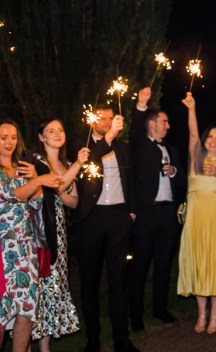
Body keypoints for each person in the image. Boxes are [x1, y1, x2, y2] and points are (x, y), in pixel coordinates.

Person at [70, 105, 139, 352]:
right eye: (103, 117)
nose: (108, 121)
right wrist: (108, 138)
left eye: (111, 118)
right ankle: (93, 339)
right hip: (91, 218)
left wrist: (131, 211)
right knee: (90, 281)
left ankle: (121, 338)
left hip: (119, 215)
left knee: (118, 281)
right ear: (91, 119)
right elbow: (90, 159)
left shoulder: (122, 146)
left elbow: (130, 179)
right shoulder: (82, 143)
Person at [0, 118, 61, 352]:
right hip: (4, 252)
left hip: (26, 250)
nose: (9, 142)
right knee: (1, 312)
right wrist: (38, 180)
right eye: (3, 137)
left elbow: (35, 204)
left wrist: (35, 180)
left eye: (13, 137)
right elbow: (11, 193)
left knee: (26, 311)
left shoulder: (22, 168)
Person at [128, 87, 185, 331]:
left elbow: (182, 179)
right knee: (140, 265)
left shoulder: (171, 150)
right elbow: (134, 128)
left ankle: (160, 309)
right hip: (146, 214)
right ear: (152, 124)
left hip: (167, 214)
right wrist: (142, 104)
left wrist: (174, 172)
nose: (168, 125)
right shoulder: (140, 145)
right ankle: (136, 316)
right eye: (165, 121)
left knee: (163, 264)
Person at [32, 118, 90, 351]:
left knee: (54, 285)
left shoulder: (66, 163)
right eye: (50, 131)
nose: (57, 133)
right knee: (39, 284)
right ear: (41, 137)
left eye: (60, 129)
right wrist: (77, 165)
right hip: (38, 232)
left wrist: (63, 192)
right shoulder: (36, 161)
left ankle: (44, 346)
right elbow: (57, 183)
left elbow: (73, 202)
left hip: (59, 232)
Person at [178, 93, 216, 335]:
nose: (213, 140)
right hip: (196, 217)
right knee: (199, 261)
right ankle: (201, 313)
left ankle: (214, 314)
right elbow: (192, 134)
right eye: (210, 136)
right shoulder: (195, 158)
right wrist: (192, 108)